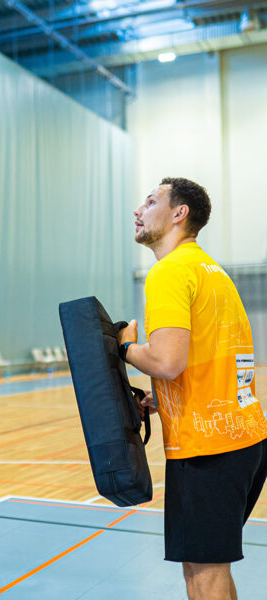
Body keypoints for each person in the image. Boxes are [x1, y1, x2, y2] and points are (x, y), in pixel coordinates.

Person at [118, 177, 267, 600]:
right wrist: (162, 400)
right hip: (244, 438)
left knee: (203, 576)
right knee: (209, 568)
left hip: (209, 449)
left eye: (150, 202)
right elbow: (199, 360)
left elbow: (166, 361)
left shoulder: (168, 272)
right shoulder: (212, 271)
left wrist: (125, 346)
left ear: (179, 213)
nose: (139, 209)